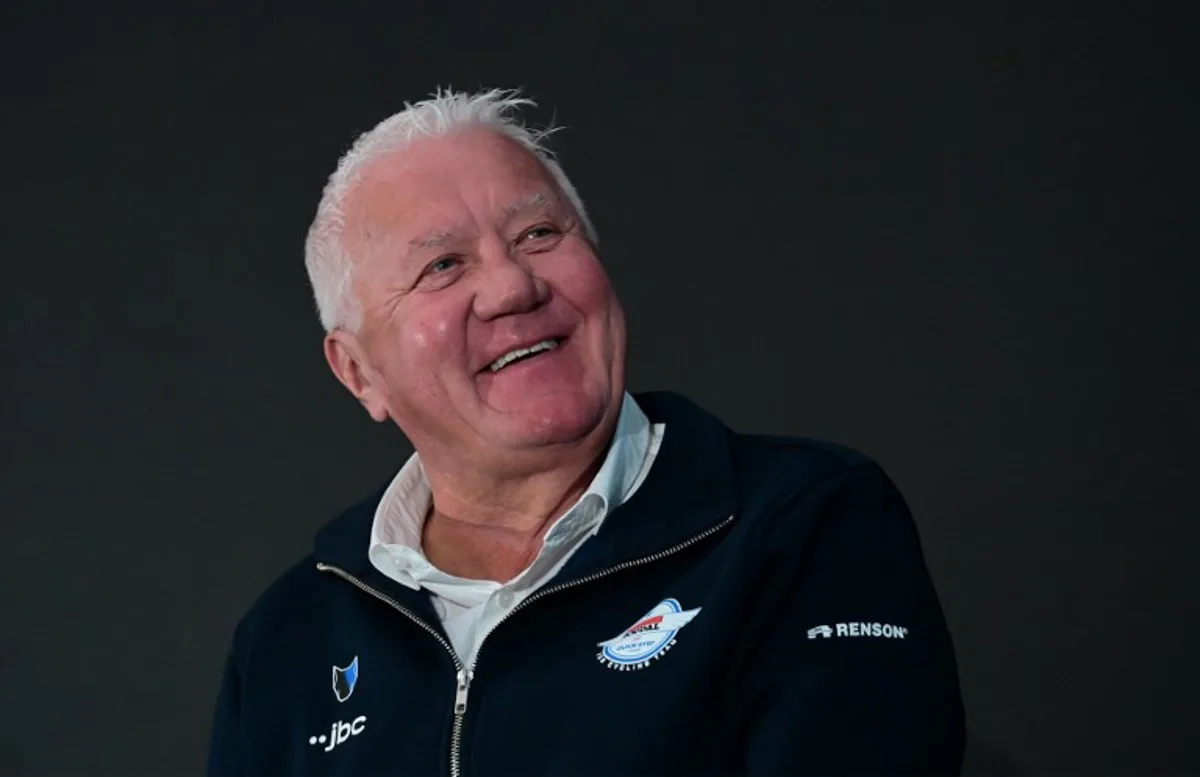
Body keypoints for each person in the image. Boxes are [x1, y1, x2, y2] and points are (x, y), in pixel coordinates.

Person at [206, 87, 965, 776]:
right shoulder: (288, 639)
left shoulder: (803, 524)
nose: (512, 285)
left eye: (539, 233)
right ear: (358, 372)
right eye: (442, 264)